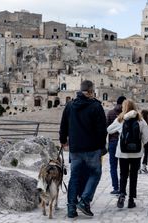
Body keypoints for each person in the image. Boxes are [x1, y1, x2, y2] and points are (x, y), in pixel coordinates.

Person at [59, 80, 107, 218]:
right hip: (92, 148)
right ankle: (85, 200)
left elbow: (63, 126)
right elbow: (102, 130)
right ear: (91, 91)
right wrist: (101, 146)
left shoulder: (70, 106)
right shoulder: (96, 107)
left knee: (74, 177)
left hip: (75, 148)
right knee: (95, 173)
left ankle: (71, 209)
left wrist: (63, 140)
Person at [107, 99, 148, 209]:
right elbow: (146, 138)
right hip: (136, 153)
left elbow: (109, 130)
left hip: (123, 153)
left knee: (123, 174)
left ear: (124, 108)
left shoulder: (120, 119)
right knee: (134, 176)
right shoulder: (141, 120)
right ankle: (131, 200)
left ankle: (121, 196)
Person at [106, 96, 126, 194]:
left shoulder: (110, 113)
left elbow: (107, 129)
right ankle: (122, 187)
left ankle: (115, 187)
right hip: (123, 143)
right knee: (123, 166)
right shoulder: (126, 114)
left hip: (113, 142)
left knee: (113, 166)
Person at [139, 109, 148, 174]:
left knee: (139, 153)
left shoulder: (139, 121)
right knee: (146, 154)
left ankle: (138, 168)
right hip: (146, 140)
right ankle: (144, 166)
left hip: (139, 140)